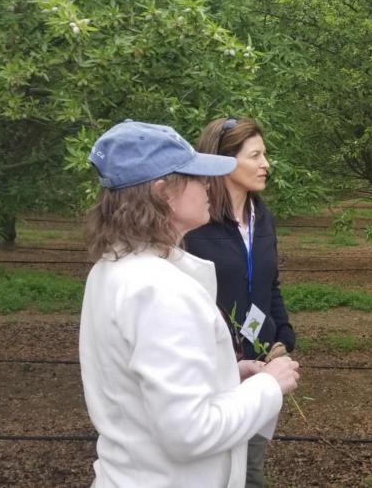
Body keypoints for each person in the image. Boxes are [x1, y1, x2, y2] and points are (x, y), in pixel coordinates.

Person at [79, 120, 301, 488]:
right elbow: (190, 432)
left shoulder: (113, 270)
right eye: (197, 177)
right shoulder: (160, 291)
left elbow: (150, 390)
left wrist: (229, 375)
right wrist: (268, 387)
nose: (208, 186)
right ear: (165, 191)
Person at [184, 117, 295, 487]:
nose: (266, 164)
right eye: (256, 155)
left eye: (266, 155)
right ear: (223, 161)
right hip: (211, 371)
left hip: (260, 366)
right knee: (215, 469)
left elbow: (270, 286)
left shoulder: (263, 219)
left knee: (250, 468)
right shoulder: (193, 225)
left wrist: (283, 337)